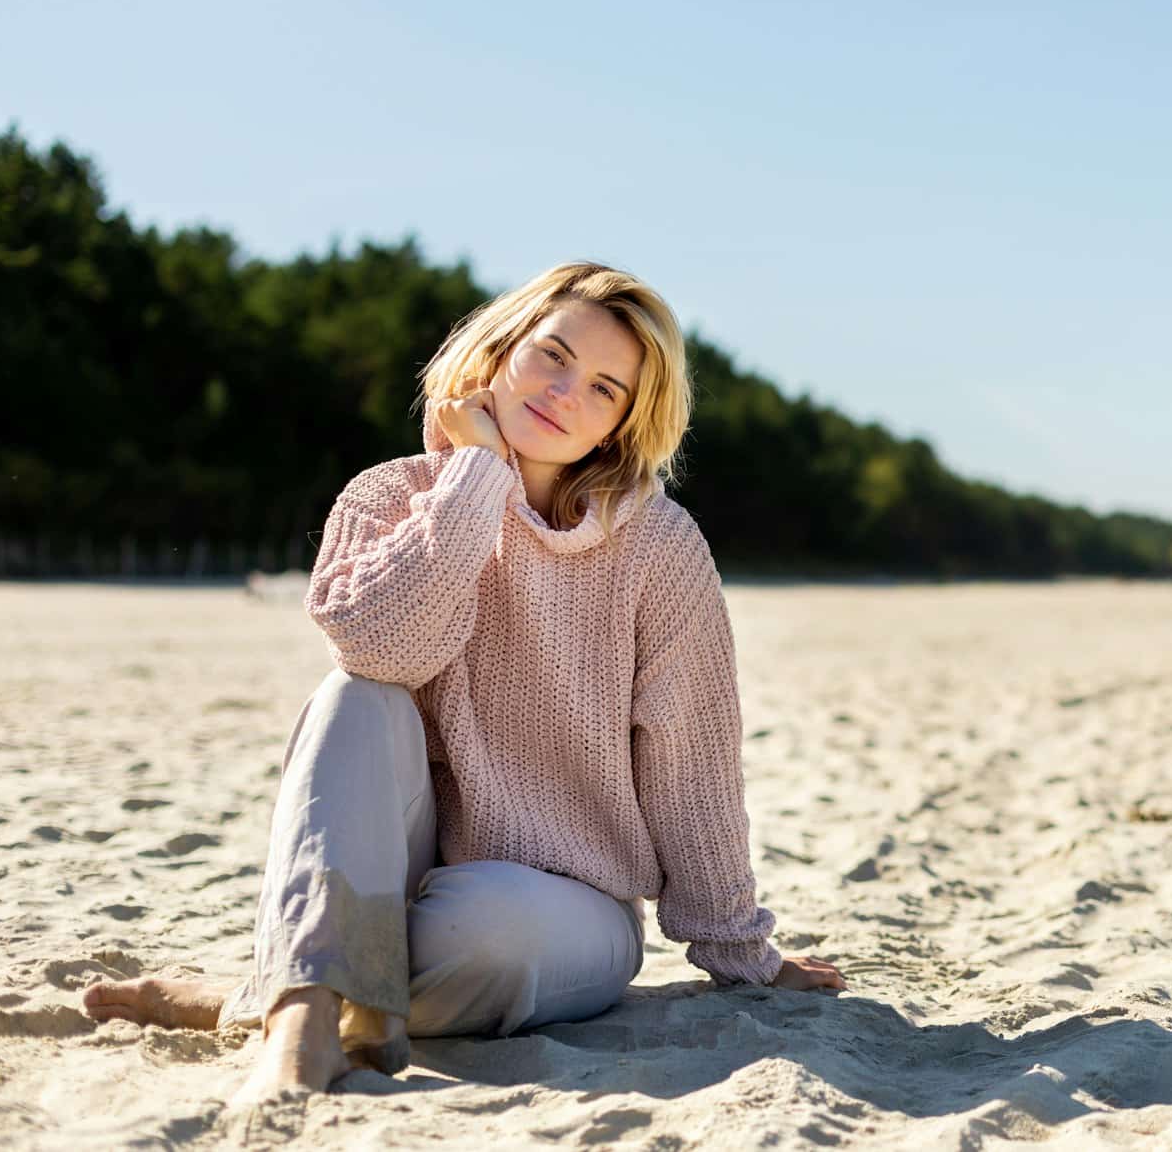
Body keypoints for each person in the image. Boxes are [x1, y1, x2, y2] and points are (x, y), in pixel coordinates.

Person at [81, 261, 843, 1103]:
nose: (565, 394)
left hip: (567, 905)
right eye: (552, 356)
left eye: (603, 389)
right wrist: (474, 477)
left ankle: (264, 989)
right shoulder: (387, 494)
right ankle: (298, 1031)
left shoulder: (659, 547)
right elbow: (382, 650)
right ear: (501, 347)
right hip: (395, 869)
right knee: (351, 694)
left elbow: (691, 762)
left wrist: (744, 954)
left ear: (623, 423)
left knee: (490, 933)